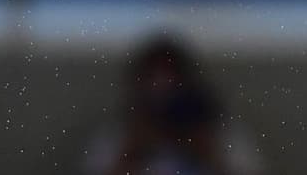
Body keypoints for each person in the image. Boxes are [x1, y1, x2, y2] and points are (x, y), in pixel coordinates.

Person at [78, 35, 267, 175]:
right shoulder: (117, 136)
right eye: (152, 79)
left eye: (173, 80)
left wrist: (208, 152)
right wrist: (132, 152)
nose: (163, 90)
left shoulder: (224, 134)